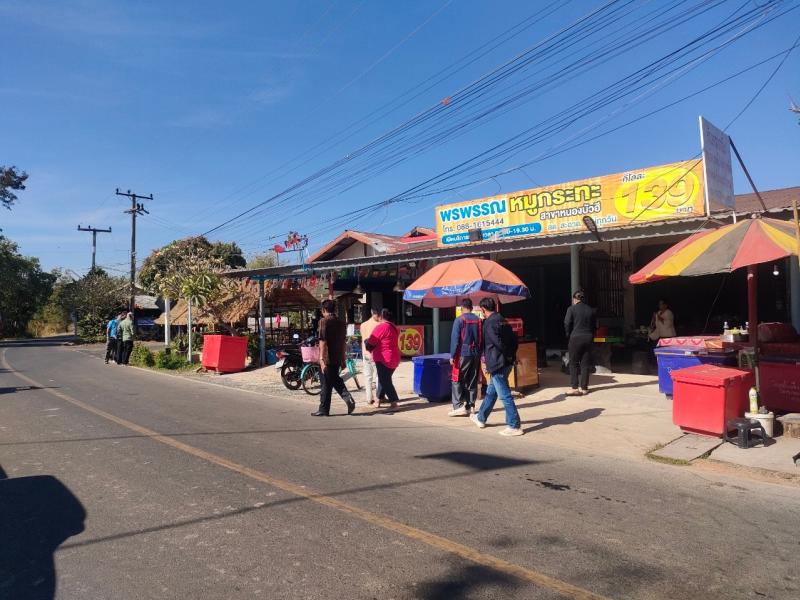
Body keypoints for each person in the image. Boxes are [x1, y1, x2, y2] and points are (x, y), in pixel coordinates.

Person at [470, 297, 523, 436]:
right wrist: (511, 355)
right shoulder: (502, 320)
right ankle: (481, 418)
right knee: (491, 392)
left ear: (483, 309)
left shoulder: (489, 323)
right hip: (505, 362)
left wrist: (500, 358)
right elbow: (514, 339)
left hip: (498, 364)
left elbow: (498, 344)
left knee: (505, 396)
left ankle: (514, 425)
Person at [312, 299, 356, 416]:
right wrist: (343, 358)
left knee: (326, 383)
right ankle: (326, 408)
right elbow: (343, 343)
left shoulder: (323, 321)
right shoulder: (341, 323)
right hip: (337, 357)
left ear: (323, 310)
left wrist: (321, 359)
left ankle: (325, 408)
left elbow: (323, 341)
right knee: (333, 380)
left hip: (327, 358)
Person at [448, 298, 482, 417]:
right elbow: (481, 338)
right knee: (472, 379)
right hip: (476, 353)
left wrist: (452, 355)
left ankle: (458, 406)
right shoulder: (478, 320)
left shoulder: (459, 320)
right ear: (471, 308)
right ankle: (471, 406)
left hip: (463, 353)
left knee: (457, 379)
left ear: (462, 308)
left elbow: (455, 340)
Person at [365, 308, 401, 409]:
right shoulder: (393, 327)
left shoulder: (381, 327)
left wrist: (366, 342)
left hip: (383, 358)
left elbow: (370, 344)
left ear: (381, 316)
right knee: (383, 379)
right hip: (394, 357)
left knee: (385, 380)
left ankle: (394, 402)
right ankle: (378, 401)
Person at [564, 291, 597, 396]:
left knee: (573, 363)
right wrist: (591, 335)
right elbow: (594, 326)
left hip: (575, 338)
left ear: (574, 299)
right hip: (588, 338)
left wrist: (568, 334)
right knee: (585, 363)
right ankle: (584, 388)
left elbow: (567, 323)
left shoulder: (571, 309)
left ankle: (575, 388)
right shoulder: (590, 310)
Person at [360, 307, 381, 406]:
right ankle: (378, 397)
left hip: (365, 353)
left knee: (368, 377)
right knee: (378, 377)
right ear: (375, 314)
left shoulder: (363, 325)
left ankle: (369, 398)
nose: (379, 317)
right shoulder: (379, 325)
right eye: (378, 315)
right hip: (375, 354)